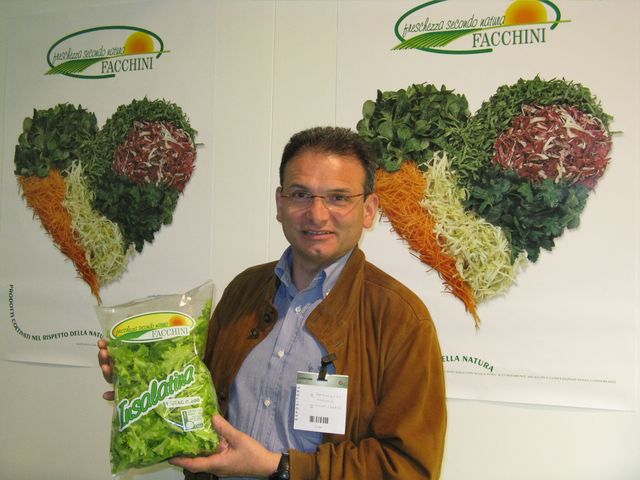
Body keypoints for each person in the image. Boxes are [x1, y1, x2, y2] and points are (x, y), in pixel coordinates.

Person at [99, 126, 446, 479]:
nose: (317, 214)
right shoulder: (244, 290)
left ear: (369, 210)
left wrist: (279, 467)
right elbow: (197, 394)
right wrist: (146, 379)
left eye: (339, 198)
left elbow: (408, 467)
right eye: (300, 194)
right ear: (280, 204)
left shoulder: (401, 319)